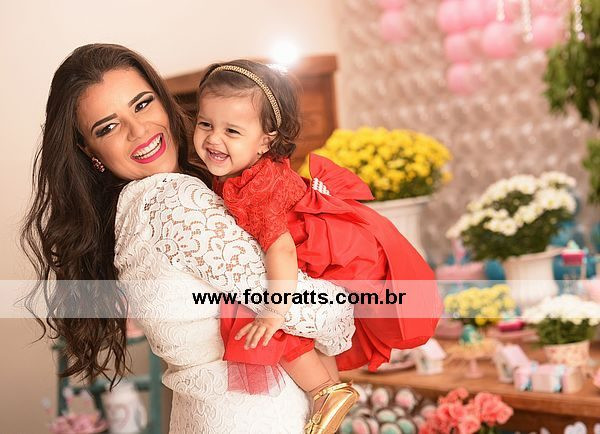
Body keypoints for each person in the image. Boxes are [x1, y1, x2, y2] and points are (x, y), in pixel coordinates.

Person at [21, 43, 356, 434]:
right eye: (108, 127)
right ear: (88, 149)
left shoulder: (128, 210)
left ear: (164, 102)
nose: (139, 130)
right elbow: (310, 308)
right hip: (261, 418)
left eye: (142, 104)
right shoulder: (171, 201)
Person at [193, 60, 443, 433]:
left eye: (231, 130)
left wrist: (275, 311)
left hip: (315, 252)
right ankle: (331, 395)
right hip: (317, 243)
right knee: (309, 331)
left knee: (272, 318)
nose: (214, 139)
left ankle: (322, 390)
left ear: (266, 140)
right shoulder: (250, 170)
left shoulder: (255, 188)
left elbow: (281, 249)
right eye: (205, 124)